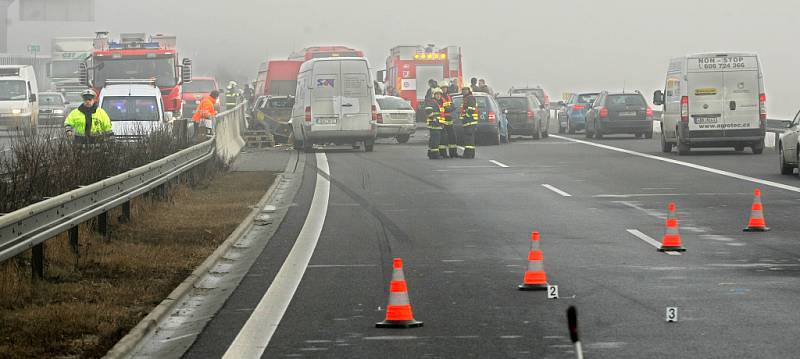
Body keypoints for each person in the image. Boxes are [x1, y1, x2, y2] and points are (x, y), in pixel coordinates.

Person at [439, 81, 458, 158]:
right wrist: (448, 109)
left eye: (445, 88)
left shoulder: (449, 97)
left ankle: (453, 153)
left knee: (452, 136)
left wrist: (450, 108)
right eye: (443, 88)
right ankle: (443, 154)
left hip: (449, 118)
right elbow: (442, 108)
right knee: (443, 137)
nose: (444, 89)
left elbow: (452, 106)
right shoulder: (440, 98)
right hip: (443, 119)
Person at [425, 88, 444, 159]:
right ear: (434, 95)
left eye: (439, 94)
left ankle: (431, 153)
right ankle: (435, 154)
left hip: (437, 124)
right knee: (435, 139)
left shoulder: (437, 102)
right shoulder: (432, 102)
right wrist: (434, 119)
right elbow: (428, 111)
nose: (439, 96)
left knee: (433, 139)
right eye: (437, 94)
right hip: (434, 124)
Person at [460, 86, 479, 159]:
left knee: (469, 138)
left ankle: (468, 154)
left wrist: (466, 116)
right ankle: (469, 153)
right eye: (463, 90)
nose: (464, 91)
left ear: (468, 90)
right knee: (468, 138)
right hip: (468, 121)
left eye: (465, 90)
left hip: (470, 121)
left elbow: (471, 109)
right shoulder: (466, 98)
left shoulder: (470, 97)